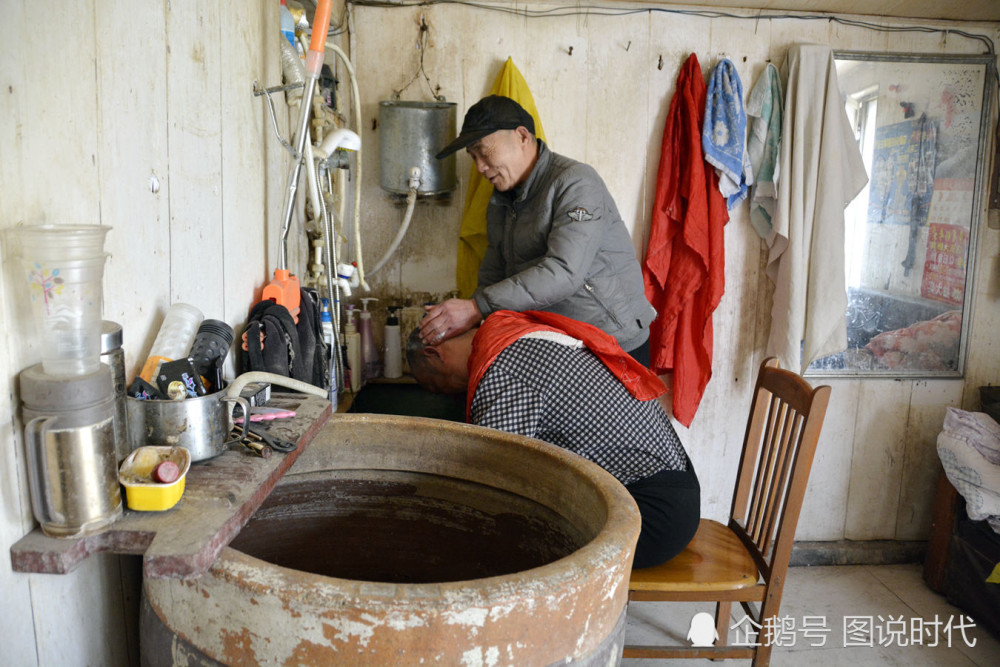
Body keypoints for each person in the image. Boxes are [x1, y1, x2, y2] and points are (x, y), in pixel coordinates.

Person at [407, 309, 700, 569]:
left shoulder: (501, 369)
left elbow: (493, 478)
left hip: (648, 516)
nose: (450, 393)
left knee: (501, 539)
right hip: (674, 494)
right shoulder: (516, 335)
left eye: (438, 386)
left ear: (434, 355)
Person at [421, 95, 657, 366]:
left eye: (483, 151)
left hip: (613, 342)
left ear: (522, 136)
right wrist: (475, 321)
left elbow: (564, 272)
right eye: (473, 157)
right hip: (560, 343)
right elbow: (495, 269)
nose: (480, 168)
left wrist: (476, 308)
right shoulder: (502, 199)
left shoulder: (576, 183)